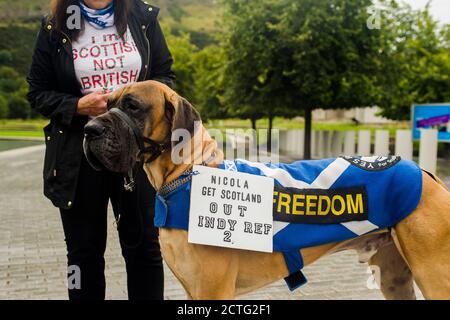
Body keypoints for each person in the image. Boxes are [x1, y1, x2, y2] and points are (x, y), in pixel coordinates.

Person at [27, 0, 176, 300]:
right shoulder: (54, 25)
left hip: (137, 153)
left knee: (146, 248)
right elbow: (37, 91)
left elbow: (166, 78)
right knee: (82, 255)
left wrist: (137, 104)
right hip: (80, 153)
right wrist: (76, 105)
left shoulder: (142, 17)